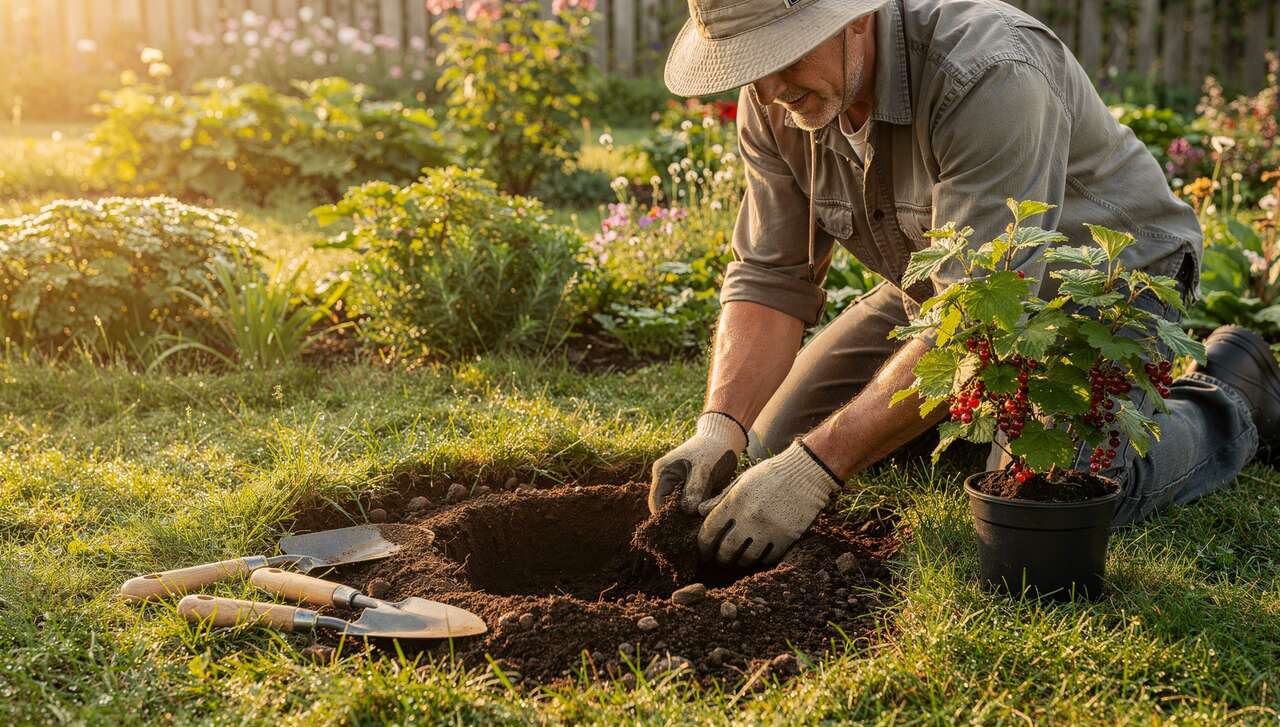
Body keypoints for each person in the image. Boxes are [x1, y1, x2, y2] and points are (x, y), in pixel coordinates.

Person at [648, 0, 1280, 568]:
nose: (768, 85)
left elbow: (981, 310)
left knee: (1049, 496)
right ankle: (955, 421)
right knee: (770, 442)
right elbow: (770, 275)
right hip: (946, 289)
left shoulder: (987, 71)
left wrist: (822, 465)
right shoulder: (776, 103)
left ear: (854, 16)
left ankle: (1228, 398)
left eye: (781, 52)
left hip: (1103, 277)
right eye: (746, 61)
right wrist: (720, 426)